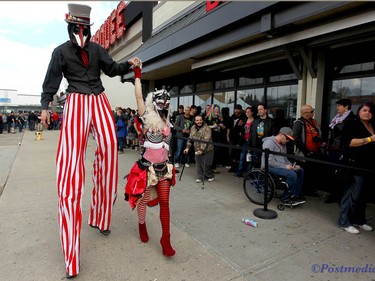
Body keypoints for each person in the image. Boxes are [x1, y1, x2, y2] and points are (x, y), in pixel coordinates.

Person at [39, 3, 139, 278]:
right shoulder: (60, 51)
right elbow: (50, 81)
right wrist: (46, 105)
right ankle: (71, 256)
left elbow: (112, 68)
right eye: (78, 28)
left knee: (109, 150)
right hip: (75, 100)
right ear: (71, 28)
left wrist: (129, 64)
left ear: (88, 29)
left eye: (85, 28)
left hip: (99, 98)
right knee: (71, 166)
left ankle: (100, 216)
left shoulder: (96, 50)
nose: (82, 33)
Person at [124, 62, 177, 257]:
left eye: (166, 101)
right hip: (147, 169)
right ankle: (142, 225)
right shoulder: (146, 116)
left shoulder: (168, 120)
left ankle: (166, 239)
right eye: (160, 100)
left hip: (164, 168)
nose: (164, 104)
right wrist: (137, 74)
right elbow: (138, 95)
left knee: (165, 203)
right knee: (144, 201)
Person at [337, 102, 375, 234]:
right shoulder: (353, 124)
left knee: (363, 196)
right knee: (352, 195)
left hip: (369, 167)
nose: (367, 113)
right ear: (359, 111)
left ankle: (359, 220)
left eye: (370, 111)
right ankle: (344, 222)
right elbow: (349, 143)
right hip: (355, 166)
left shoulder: (372, 125)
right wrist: (370, 139)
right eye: (364, 110)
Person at [261, 127, 305, 206]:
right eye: (287, 138)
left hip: (280, 166)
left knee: (300, 171)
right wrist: (285, 167)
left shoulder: (283, 145)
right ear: (281, 135)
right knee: (292, 174)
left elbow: (285, 159)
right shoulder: (269, 143)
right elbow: (269, 161)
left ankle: (294, 195)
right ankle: (286, 198)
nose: (288, 141)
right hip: (269, 166)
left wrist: (292, 165)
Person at [325, 99, 355, 203]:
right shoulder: (336, 118)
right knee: (332, 171)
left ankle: (341, 196)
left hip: (342, 149)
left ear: (346, 107)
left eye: (339, 106)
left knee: (341, 172)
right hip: (333, 148)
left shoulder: (351, 119)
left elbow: (345, 135)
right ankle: (334, 194)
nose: (337, 107)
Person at [292, 104, 326, 196]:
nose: (313, 113)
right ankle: (303, 191)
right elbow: (296, 139)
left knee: (313, 173)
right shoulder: (299, 123)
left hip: (315, 152)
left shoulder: (313, 122)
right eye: (311, 111)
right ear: (306, 113)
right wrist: (307, 151)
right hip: (304, 154)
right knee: (305, 174)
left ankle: (311, 190)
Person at [183, 115, 215, 183]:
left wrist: (201, 149)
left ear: (202, 120)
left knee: (206, 164)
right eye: (197, 120)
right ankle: (200, 177)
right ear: (195, 121)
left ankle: (210, 176)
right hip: (197, 148)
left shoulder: (207, 128)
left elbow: (206, 140)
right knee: (198, 164)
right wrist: (187, 147)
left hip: (208, 149)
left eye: (200, 120)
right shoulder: (193, 128)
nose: (199, 121)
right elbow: (190, 138)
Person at [234, 106, 255, 177]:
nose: (247, 113)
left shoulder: (255, 121)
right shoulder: (244, 120)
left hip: (251, 143)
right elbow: (241, 132)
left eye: (249, 112)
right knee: (242, 158)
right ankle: (239, 172)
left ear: (252, 112)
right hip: (244, 142)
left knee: (250, 159)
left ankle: (248, 174)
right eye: (246, 112)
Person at [228, 104, 246, 172]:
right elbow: (229, 127)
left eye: (238, 109)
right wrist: (227, 135)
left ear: (240, 110)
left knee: (237, 153)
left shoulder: (243, 118)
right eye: (235, 109)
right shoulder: (232, 117)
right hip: (232, 137)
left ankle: (237, 167)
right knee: (231, 153)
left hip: (239, 139)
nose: (237, 111)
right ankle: (233, 166)